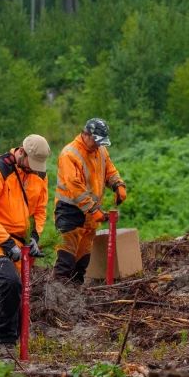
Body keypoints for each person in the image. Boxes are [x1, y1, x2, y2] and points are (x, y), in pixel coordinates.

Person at [0, 135, 50, 356]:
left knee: (20, 289)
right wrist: (7, 243)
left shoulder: (39, 174)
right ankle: (6, 343)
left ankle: (9, 338)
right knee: (11, 282)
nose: (34, 170)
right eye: (31, 164)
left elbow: (40, 210)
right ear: (21, 153)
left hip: (21, 241)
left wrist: (34, 236)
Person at [54, 118, 127, 284]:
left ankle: (75, 298)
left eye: (101, 142)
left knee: (82, 263)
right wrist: (93, 211)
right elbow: (75, 188)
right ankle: (56, 298)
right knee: (66, 260)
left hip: (89, 215)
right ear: (85, 134)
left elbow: (109, 170)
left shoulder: (100, 150)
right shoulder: (70, 154)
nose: (98, 145)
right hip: (69, 213)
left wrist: (117, 185)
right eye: (96, 141)